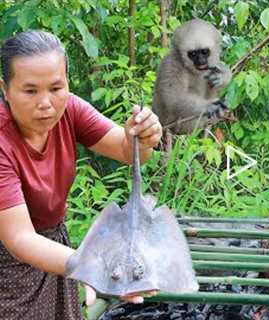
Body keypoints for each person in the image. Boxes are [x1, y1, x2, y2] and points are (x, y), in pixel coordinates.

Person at [0, 30, 162, 319]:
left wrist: (143, 138)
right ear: (5, 89)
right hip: (7, 265)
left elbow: (128, 151)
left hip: (55, 251)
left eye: (56, 87)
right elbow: (19, 238)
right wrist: (94, 265)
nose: (46, 102)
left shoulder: (69, 109)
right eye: (30, 90)